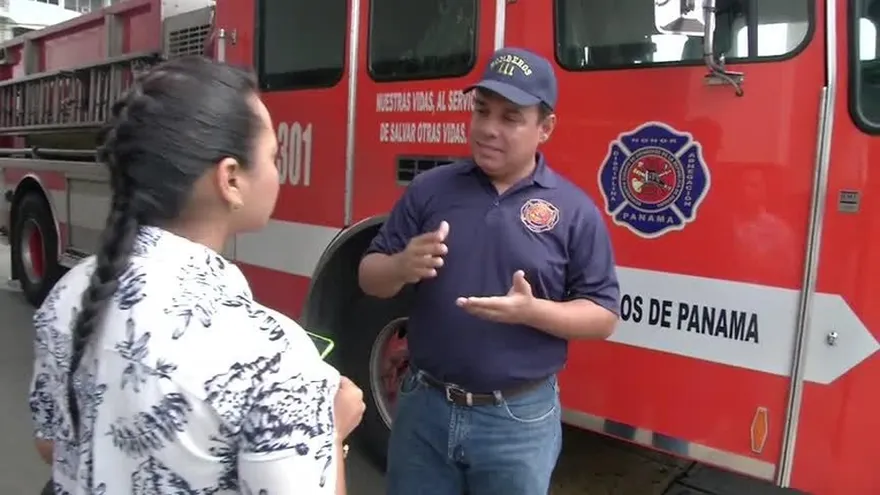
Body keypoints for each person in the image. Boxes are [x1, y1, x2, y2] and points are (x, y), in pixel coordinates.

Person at [27, 56, 365, 495]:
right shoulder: (274, 355)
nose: (278, 171)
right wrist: (331, 434)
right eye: (273, 156)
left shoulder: (67, 294)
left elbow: (51, 444)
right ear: (230, 179)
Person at [358, 47, 621, 495]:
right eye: (481, 111)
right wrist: (401, 265)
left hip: (518, 421)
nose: (487, 130)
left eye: (510, 117)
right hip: (424, 408)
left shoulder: (575, 211)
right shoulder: (430, 190)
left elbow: (603, 315)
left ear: (545, 128)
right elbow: (368, 275)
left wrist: (532, 311)